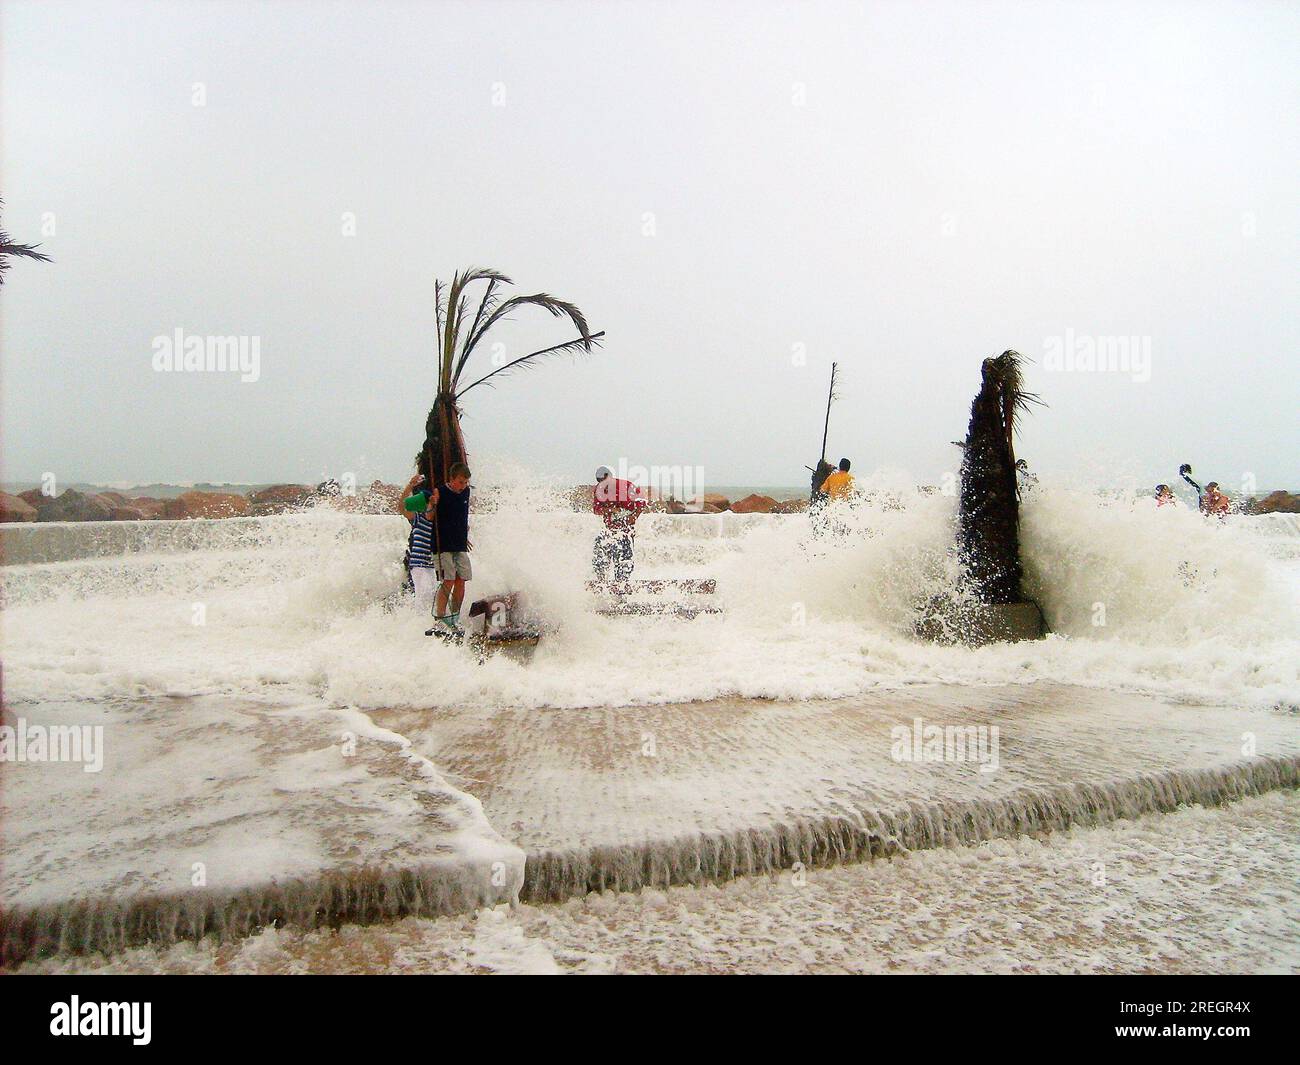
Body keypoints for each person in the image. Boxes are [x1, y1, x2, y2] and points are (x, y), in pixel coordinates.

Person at [427, 462, 473, 633]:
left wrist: (465, 535)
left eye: (466, 482)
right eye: (460, 482)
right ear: (451, 479)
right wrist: (432, 503)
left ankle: (454, 617)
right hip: (443, 545)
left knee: (461, 579)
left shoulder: (466, 492)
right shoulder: (440, 492)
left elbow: (461, 516)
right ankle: (439, 619)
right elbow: (429, 517)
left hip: (460, 544)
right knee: (448, 580)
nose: (463, 486)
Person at [592, 465, 646, 583]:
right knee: (599, 555)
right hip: (609, 531)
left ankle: (621, 585)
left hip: (625, 531)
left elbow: (642, 502)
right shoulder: (599, 490)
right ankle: (601, 583)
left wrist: (634, 516)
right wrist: (609, 509)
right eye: (600, 482)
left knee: (624, 561)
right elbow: (596, 510)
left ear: (610, 477)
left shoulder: (625, 485)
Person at [400, 472, 436, 607]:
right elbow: (401, 507)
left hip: (431, 564)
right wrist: (410, 486)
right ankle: (419, 618)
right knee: (422, 596)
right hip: (418, 564)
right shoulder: (418, 518)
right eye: (429, 504)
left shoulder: (436, 523)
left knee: (432, 596)